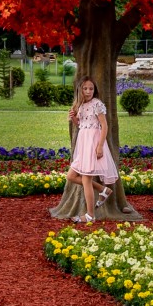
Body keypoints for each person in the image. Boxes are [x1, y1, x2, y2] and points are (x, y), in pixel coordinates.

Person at [64, 77, 118, 221]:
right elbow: (81, 124)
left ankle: (89, 215)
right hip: (83, 144)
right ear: (80, 90)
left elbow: (104, 126)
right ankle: (103, 190)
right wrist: (74, 119)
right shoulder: (81, 105)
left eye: (91, 89)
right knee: (71, 176)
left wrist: (100, 146)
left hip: (93, 144)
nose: (88, 91)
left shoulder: (97, 104)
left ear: (95, 90)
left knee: (86, 180)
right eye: (85, 88)